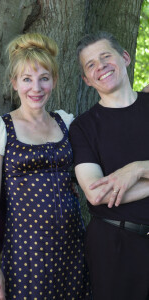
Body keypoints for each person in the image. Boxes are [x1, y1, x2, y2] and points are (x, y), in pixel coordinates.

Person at [0, 33, 91, 300]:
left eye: (44, 78)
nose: (36, 88)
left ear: (54, 81)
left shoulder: (66, 122)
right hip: (26, 251)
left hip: (73, 245)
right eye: (27, 79)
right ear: (14, 83)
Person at [69, 31, 149, 300]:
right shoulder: (83, 127)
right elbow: (97, 193)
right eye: (90, 64)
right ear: (86, 80)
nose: (100, 66)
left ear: (125, 58)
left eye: (106, 56)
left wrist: (137, 169)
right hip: (115, 247)